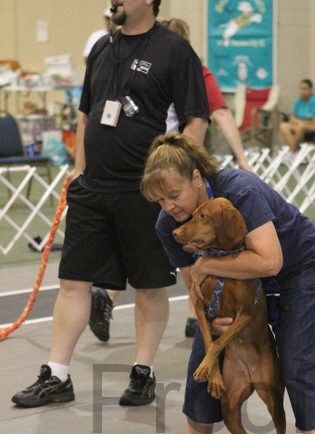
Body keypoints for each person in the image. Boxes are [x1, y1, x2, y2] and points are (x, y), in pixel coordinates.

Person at [11, 1, 209, 409]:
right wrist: (80, 172)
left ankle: (142, 372)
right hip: (94, 188)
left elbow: (196, 120)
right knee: (73, 280)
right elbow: (86, 114)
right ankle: (58, 374)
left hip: (144, 192)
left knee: (150, 284)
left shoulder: (175, 51)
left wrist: (175, 181)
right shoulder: (102, 47)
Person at [140, 132, 315, 434]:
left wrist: (208, 263)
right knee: (204, 357)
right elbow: (195, 286)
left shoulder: (240, 190)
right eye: (160, 200)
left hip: (296, 271)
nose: (168, 207)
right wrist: (215, 322)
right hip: (239, 285)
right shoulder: (169, 225)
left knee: (300, 360)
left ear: (197, 178)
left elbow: (269, 262)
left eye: (174, 194)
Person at [89, 15, 253, 342]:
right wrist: (242, 158)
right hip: (178, 174)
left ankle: (107, 296)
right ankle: (197, 314)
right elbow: (220, 113)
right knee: (195, 240)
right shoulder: (195, 71)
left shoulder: (140, 68)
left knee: (144, 239)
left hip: (142, 168)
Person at [280, 79, 315, 152]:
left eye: (305, 89)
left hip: (311, 127)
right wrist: (299, 122)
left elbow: (314, 123)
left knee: (301, 127)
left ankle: (293, 151)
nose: (303, 91)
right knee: (284, 126)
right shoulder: (298, 101)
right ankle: (294, 151)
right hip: (298, 124)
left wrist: (300, 122)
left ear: (310, 90)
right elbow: (292, 118)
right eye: (301, 89)